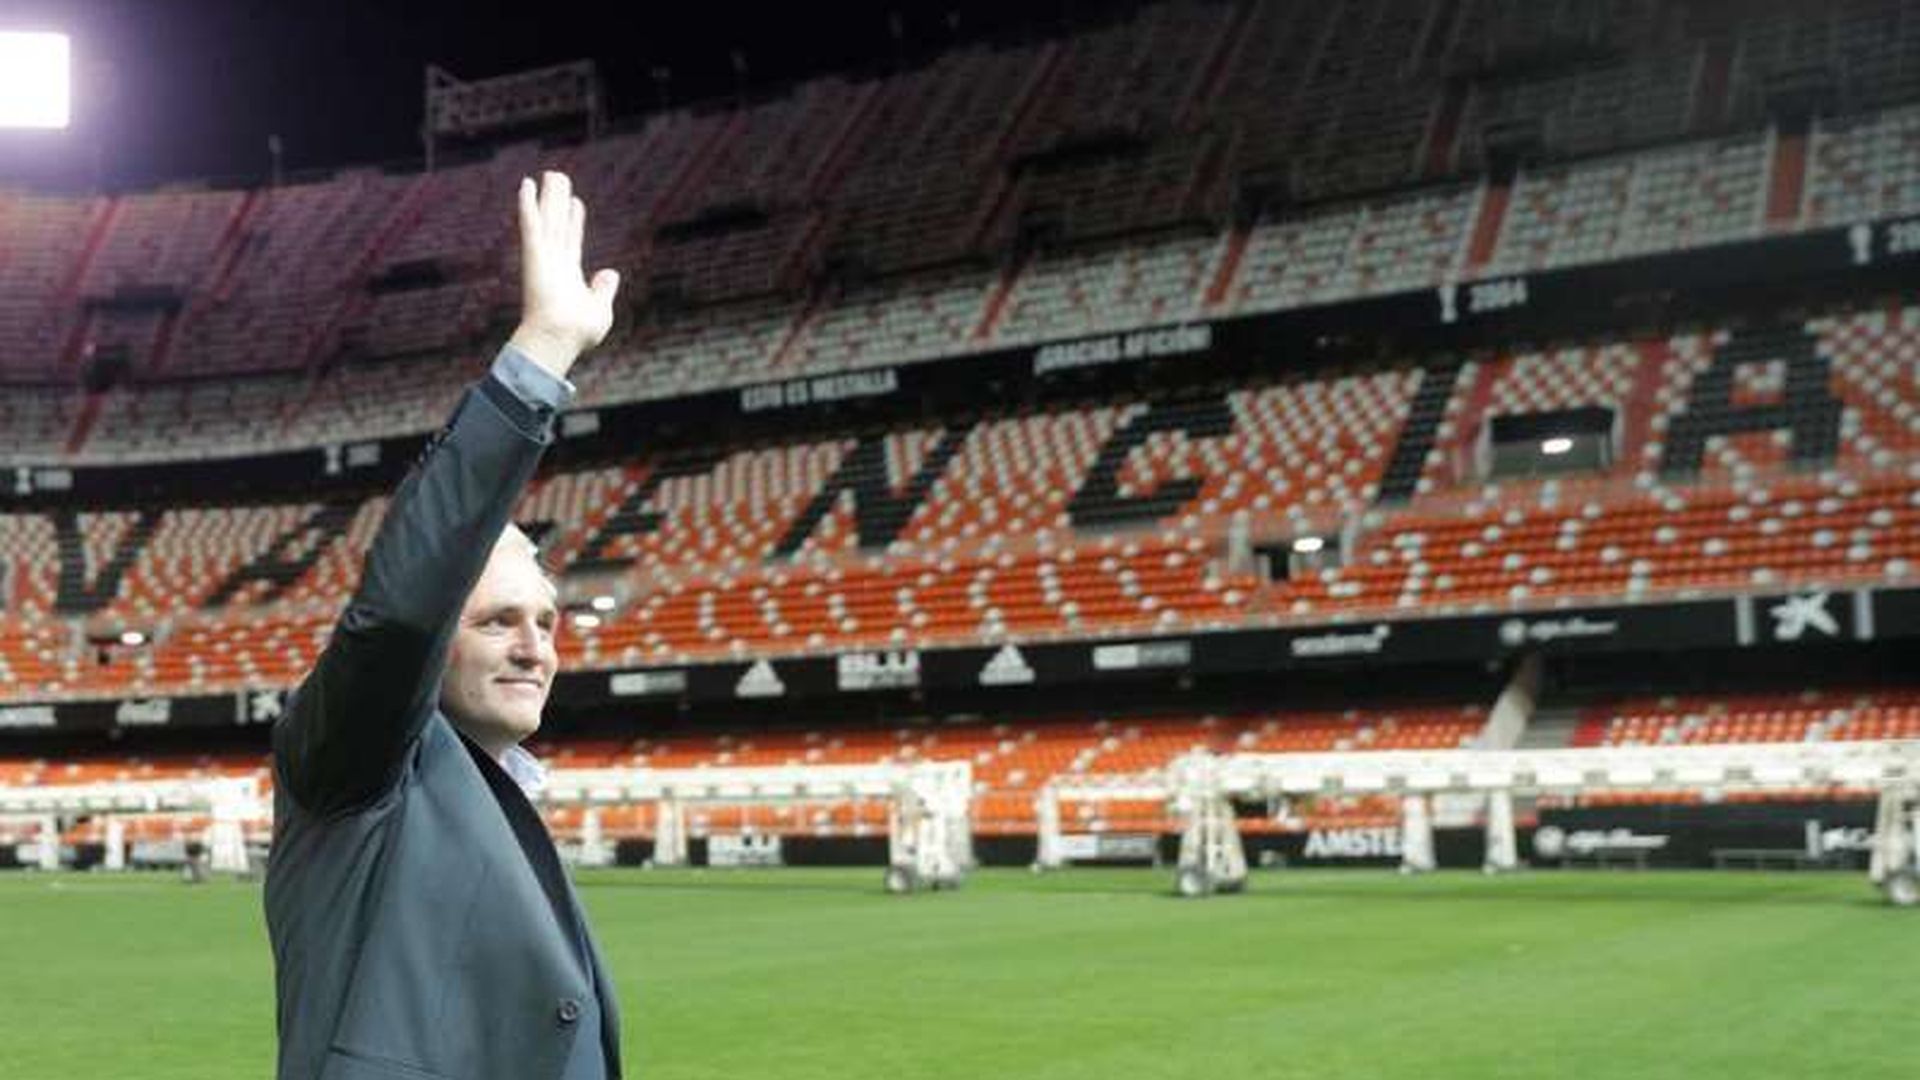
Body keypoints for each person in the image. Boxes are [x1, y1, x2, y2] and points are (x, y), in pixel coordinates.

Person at [265, 171, 624, 1080]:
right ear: (436, 645)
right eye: (498, 620)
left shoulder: (501, 788)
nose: (537, 646)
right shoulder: (356, 766)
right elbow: (394, 621)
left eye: (546, 621)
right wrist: (541, 351)